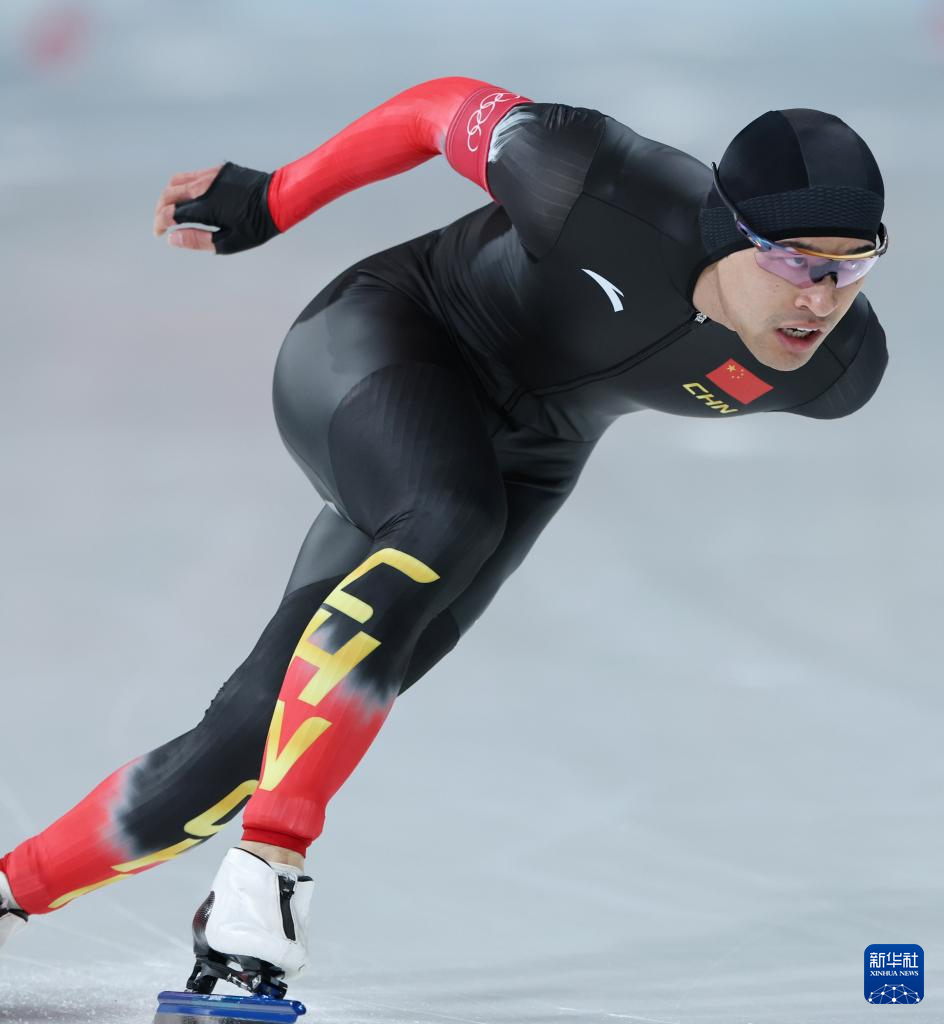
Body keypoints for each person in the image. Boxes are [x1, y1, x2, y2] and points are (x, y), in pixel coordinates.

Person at [0, 76, 889, 996]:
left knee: (261, 734)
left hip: (526, 459)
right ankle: (270, 866)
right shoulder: (591, 180)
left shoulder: (837, 371)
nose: (821, 300)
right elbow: (436, 110)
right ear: (726, 230)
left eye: (853, 265)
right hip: (388, 340)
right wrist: (276, 196)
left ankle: (10, 891)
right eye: (795, 263)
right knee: (450, 518)